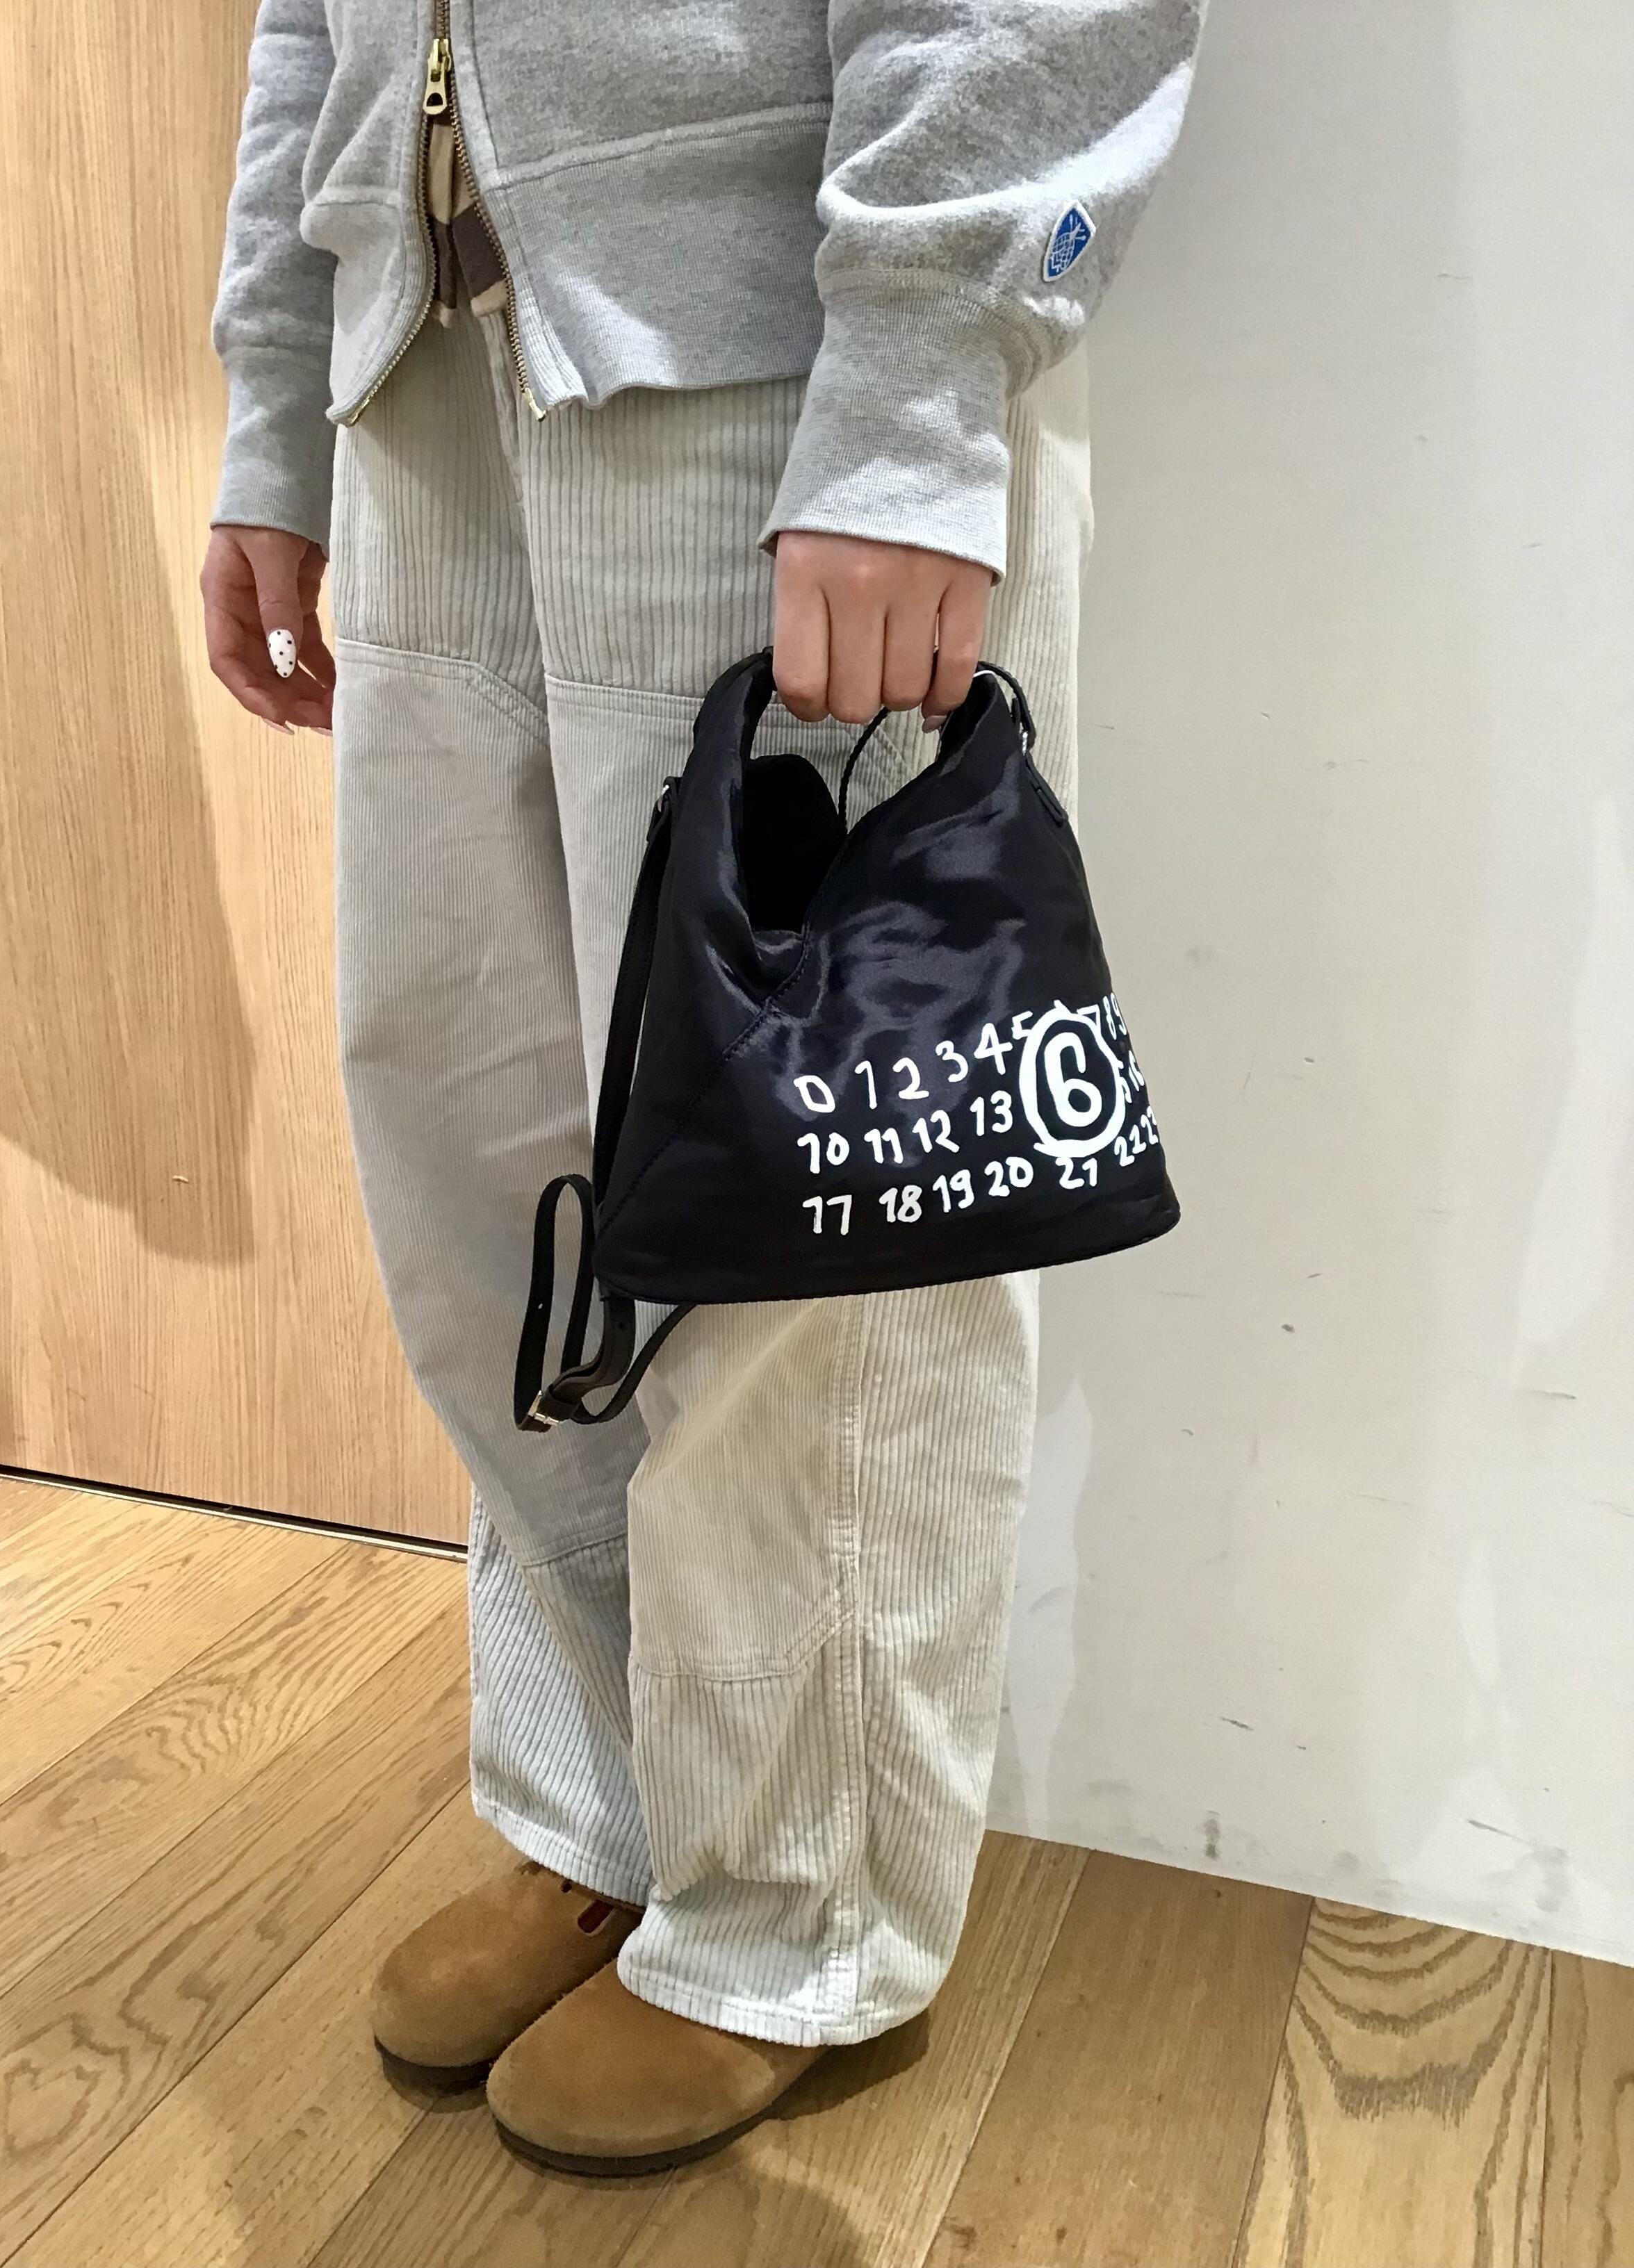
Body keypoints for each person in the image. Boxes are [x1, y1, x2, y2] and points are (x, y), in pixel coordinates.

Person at [202, 0, 1202, 2178]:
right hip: (424, 356)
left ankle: (795, 1906)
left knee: (800, 1211)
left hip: (775, 348)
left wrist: (919, 383)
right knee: (492, 1177)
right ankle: (610, 1812)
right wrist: (278, 392)